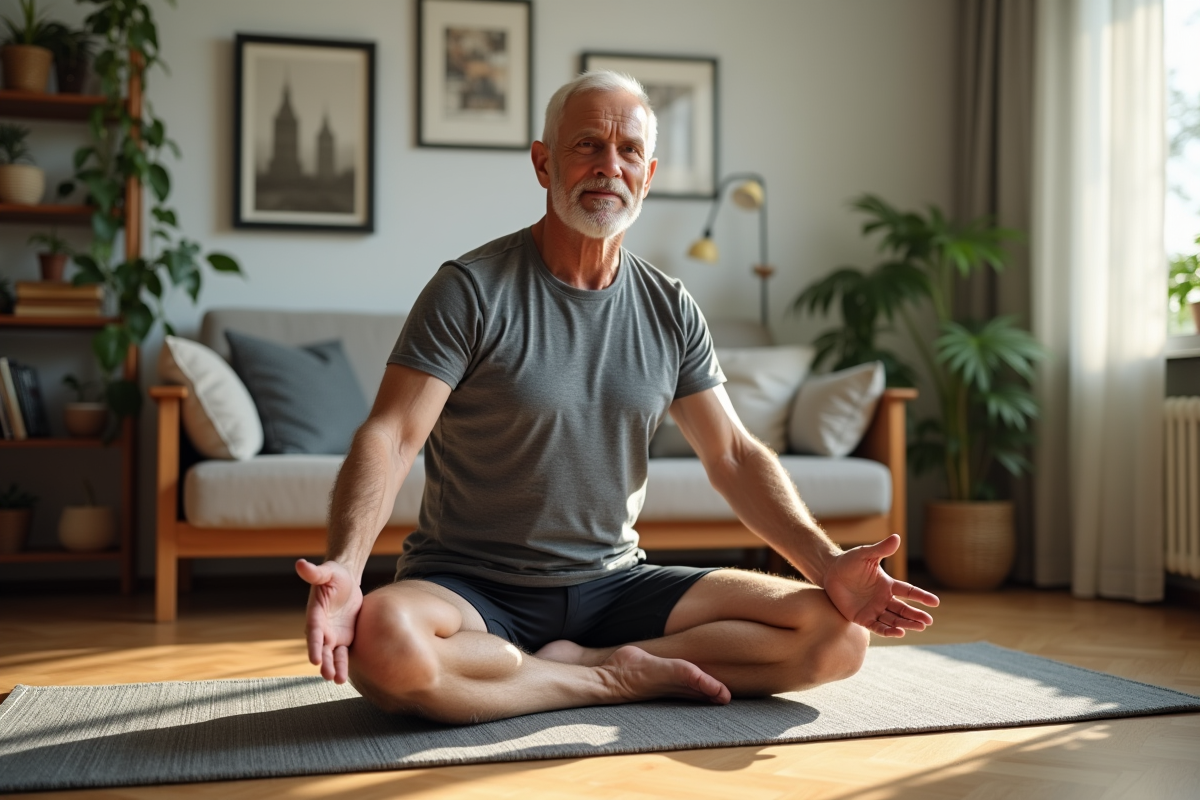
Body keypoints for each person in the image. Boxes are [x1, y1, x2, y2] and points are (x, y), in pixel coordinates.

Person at [296, 70, 940, 724]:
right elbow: (392, 434)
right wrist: (346, 567)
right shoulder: (470, 289)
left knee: (837, 637)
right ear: (543, 164)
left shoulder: (670, 307)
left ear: (648, 174)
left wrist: (827, 563)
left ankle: (567, 666)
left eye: (629, 151)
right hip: (471, 586)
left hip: (615, 585)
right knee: (384, 645)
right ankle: (596, 678)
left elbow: (733, 457)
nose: (610, 166)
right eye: (587, 147)